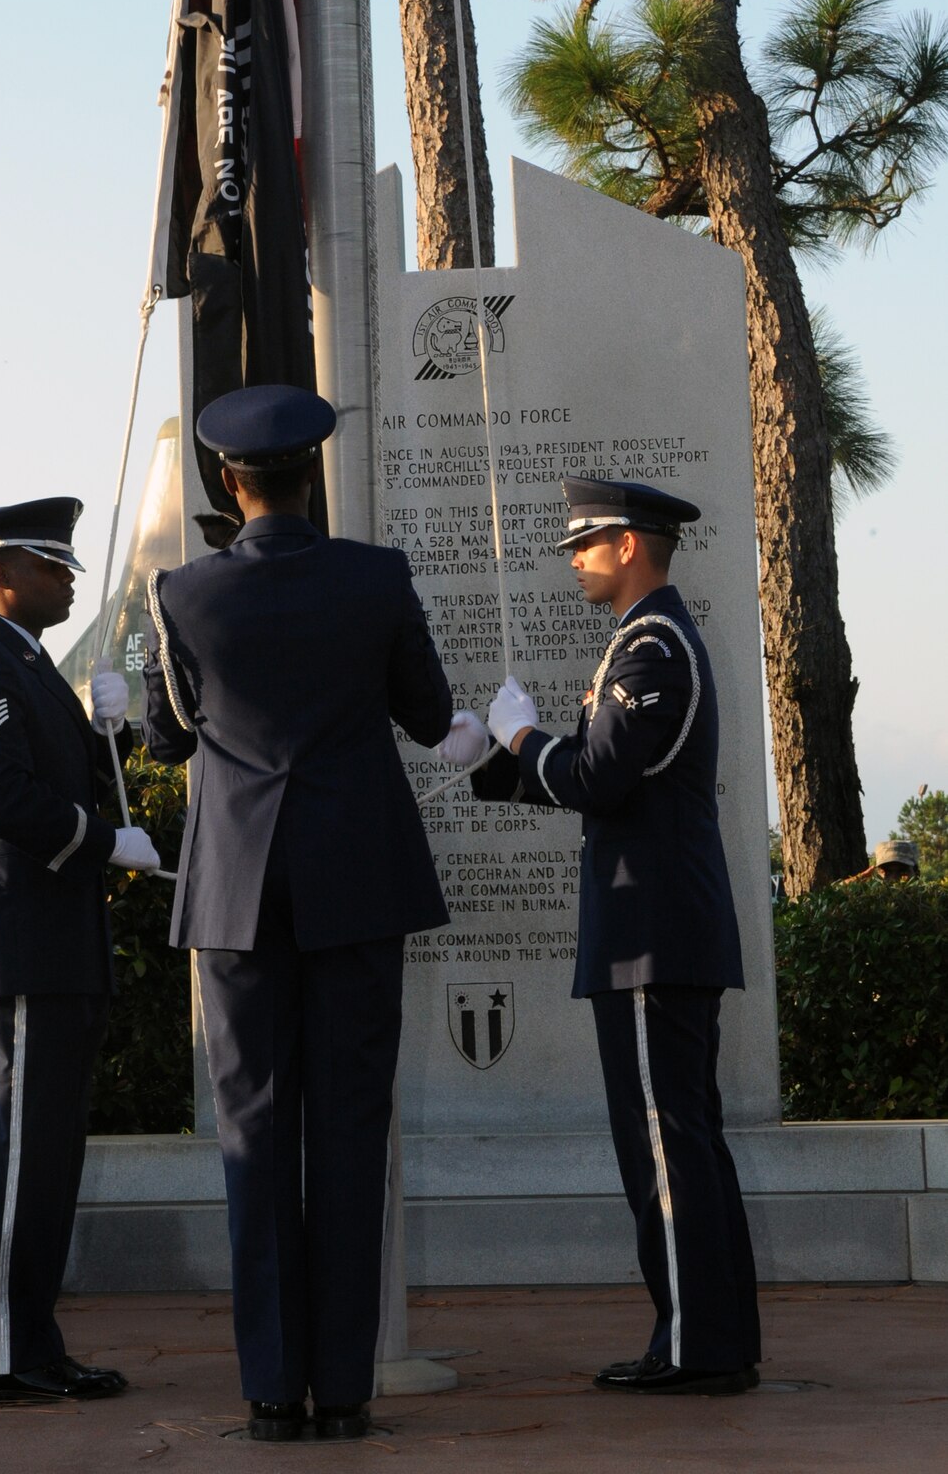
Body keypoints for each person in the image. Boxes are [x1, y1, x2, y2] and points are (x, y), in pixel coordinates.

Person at [142, 385, 464, 1442]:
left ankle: (272, 1387)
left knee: (254, 1129)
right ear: (307, 475)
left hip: (236, 889)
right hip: (355, 877)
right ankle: (342, 1383)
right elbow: (423, 714)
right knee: (349, 1125)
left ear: (229, 484)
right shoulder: (375, 578)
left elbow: (169, 737)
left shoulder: (182, 593)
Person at [471, 476, 760, 1395]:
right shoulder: (643, 642)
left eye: (586, 541)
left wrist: (520, 743)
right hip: (654, 929)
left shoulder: (653, 649)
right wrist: (489, 759)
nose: (575, 557)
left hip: (651, 934)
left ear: (631, 544)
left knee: (665, 1144)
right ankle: (711, 1338)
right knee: (681, 1139)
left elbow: (598, 778)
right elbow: (606, 778)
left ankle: (693, 1347)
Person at [0, 496, 162, 1404]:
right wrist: (105, 842)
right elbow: (3, 799)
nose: (68, 578)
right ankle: (2, 1355)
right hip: (23, 946)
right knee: (26, 1155)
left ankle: (28, 1340)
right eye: (51, 565)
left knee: (51, 1152)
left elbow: (54, 772)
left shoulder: (24, 667)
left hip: (55, 944)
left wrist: (105, 726)